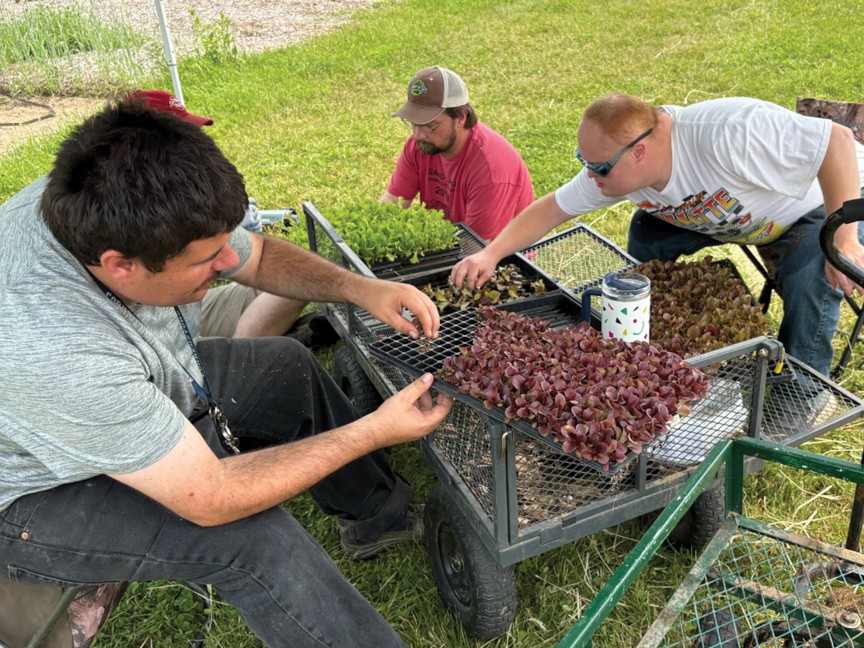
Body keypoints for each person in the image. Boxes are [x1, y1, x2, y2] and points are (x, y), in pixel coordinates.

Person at [0, 101, 453, 647]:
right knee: (253, 539)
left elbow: (256, 256)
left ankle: (380, 514)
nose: (225, 266)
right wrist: (373, 430)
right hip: (38, 492)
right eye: (205, 260)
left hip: (131, 388)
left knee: (285, 364)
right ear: (120, 264)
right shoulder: (54, 345)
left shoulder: (116, 205)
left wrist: (363, 289)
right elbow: (211, 497)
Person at [452, 93, 864, 380]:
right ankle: (660, 333)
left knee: (810, 274)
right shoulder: (614, 166)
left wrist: (843, 239)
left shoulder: (726, 131)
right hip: (736, 216)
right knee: (647, 232)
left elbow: (837, 141)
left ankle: (804, 386)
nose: (591, 176)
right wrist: (491, 254)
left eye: (599, 167)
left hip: (820, 203)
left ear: (639, 152)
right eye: (585, 163)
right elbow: (552, 208)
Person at [128, 89, 338, 346]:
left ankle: (249, 350)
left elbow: (251, 257)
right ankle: (247, 356)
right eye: (181, 134)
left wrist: (366, 291)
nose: (195, 143)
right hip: (151, 339)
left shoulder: (181, 189)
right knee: (201, 358)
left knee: (298, 276)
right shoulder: (128, 209)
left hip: (188, 309)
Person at [381, 66, 535, 242]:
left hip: (497, 256)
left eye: (430, 125)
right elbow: (392, 204)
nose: (418, 135)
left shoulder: (491, 168)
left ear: (461, 117)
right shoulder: (420, 145)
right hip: (451, 241)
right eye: (413, 123)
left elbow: (476, 248)